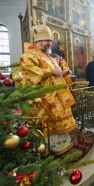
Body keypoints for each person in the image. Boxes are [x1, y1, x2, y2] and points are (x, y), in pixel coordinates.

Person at [15, 24, 76, 155]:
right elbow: (28, 74)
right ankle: (50, 146)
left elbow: (55, 73)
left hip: (58, 94)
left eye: (50, 40)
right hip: (44, 96)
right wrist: (51, 72)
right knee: (52, 119)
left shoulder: (47, 56)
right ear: (38, 41)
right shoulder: (28, 55)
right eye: (47, 41)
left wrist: (63, 73)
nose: (50, 43)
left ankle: (63, 143)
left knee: (63, 115)